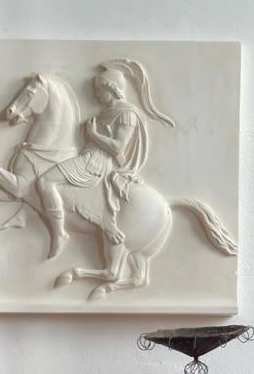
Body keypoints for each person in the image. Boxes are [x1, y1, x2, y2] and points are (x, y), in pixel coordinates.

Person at [36, 60, 174, 258]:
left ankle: (59, 234)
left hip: (96, 163)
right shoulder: (105, 112)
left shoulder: (127, 115)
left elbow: (118, 147)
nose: (96, 94)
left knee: (44, 181)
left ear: (112, 88)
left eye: (99, 89)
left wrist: (92, 134)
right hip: (87, 156)